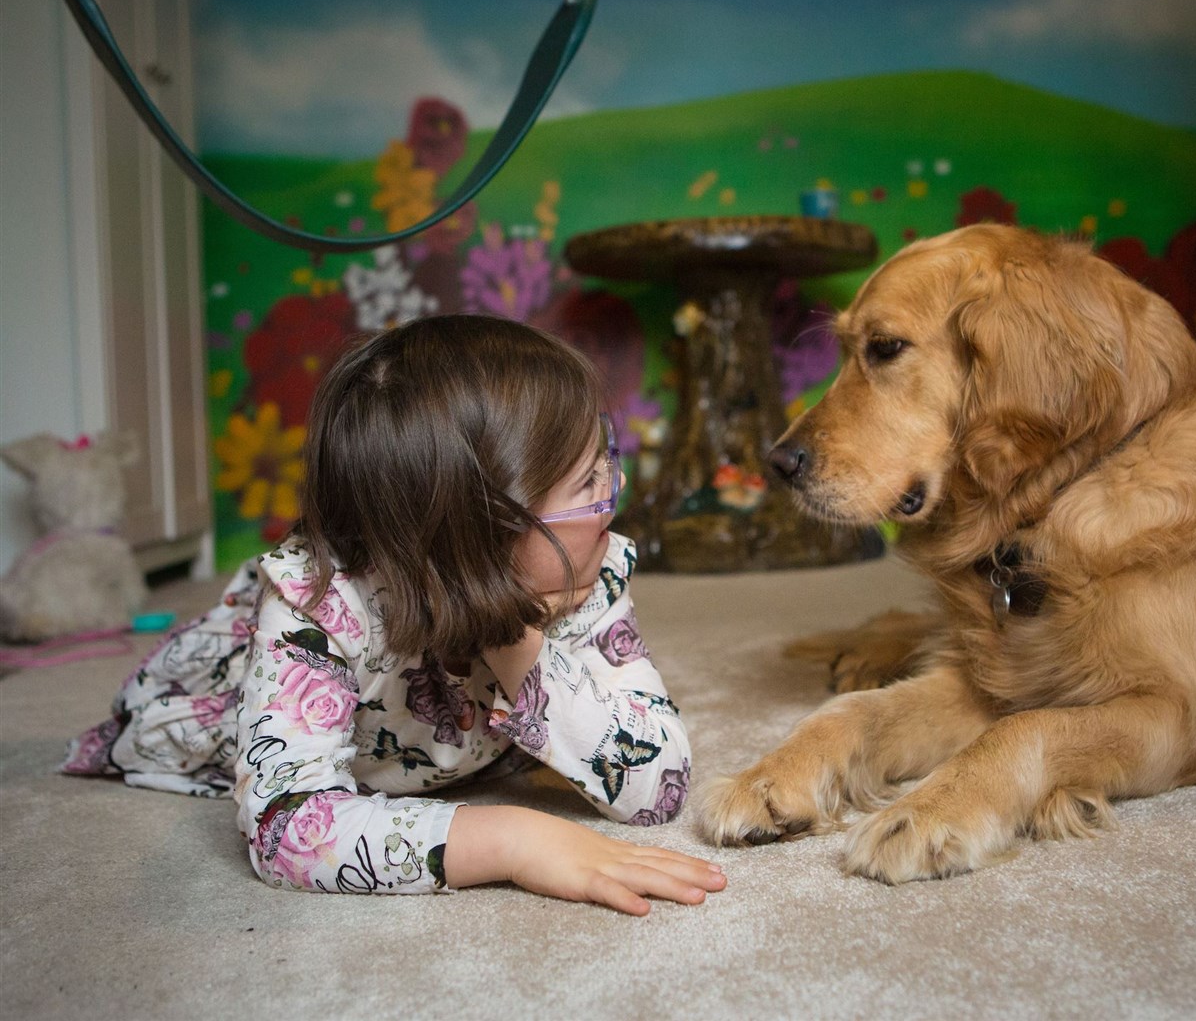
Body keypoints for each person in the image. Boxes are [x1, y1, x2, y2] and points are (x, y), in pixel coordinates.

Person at [62, 314, 725, 914]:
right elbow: (288, 829)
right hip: (221, 700)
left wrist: (519, 643)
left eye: (606, 459)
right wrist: (511, 840)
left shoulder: (583, 565)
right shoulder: (317, 607)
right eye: (587, 485)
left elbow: (657, 788)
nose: (613, 495)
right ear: (479, 537)